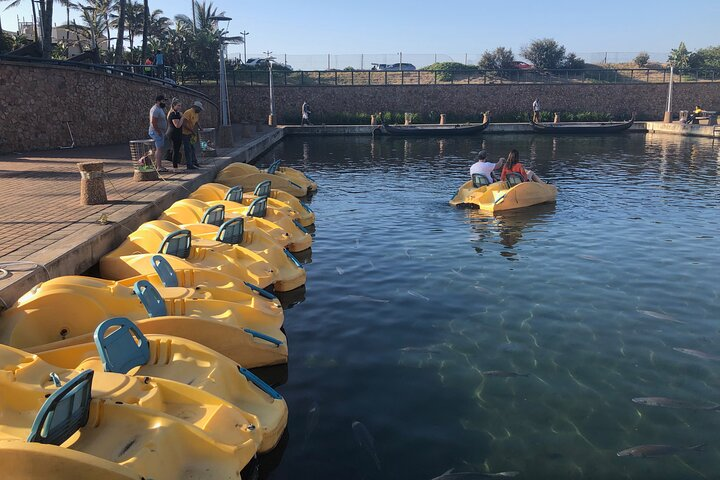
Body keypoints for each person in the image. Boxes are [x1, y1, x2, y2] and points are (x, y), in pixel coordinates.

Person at [148, 94, 168, 172]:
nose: (164, 102)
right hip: (156, 131)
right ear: (158, 101)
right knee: (159, 149)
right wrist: (158, 131)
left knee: (159, 149)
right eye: (162, 101)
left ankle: (159, 165)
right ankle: (159, 167)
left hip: (160, 131)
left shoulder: (160, 109)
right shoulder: (155, 109)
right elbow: (153, 121)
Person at [182, 100, 204, 169]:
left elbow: (196, 122)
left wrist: (200, 128)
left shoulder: (196, 113)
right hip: (185, 133)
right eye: (199, 109)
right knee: (187, 149)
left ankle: (194, 162)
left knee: (192, 148)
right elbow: (184, 124)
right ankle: (189, 164)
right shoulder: (188, 112)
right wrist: (191, 131)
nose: (200, 111)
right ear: (196, 107)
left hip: (191, 134)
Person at [166, 98, 187, 169]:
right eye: (178, 106)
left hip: (177, 133)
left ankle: (175, 165)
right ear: (174, 105)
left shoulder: (177, 113)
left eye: (180, 106)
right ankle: (175, 167)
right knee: (175, 150)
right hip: (173, 134)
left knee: (177, 150)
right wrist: (182, 117)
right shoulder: (173, 114)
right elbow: (177, 125)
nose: (179, 107)